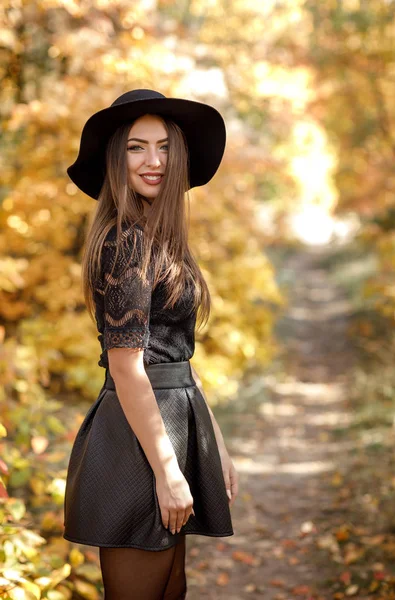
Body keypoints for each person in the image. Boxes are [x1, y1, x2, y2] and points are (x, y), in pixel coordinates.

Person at [63, 89, 239, 599]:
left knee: (172, 592)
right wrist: (166, 471)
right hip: (138, 444)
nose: (154, 161)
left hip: (174, 429)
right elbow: (128, 368)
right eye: (137, 147)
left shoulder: (161, 239)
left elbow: (177, 355)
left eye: (163, 146)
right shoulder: (127, 242)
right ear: (117, 159)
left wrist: (214, 444)